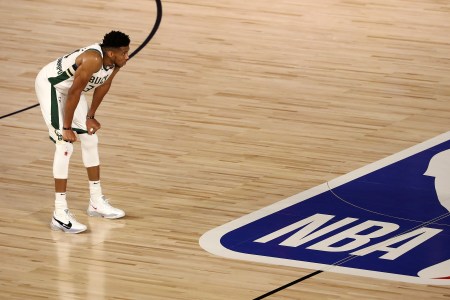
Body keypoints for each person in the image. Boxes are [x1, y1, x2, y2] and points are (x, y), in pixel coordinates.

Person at [35, 31, 130, 233]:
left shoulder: (115, 63)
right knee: (64, 145)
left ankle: (96, 202)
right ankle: (59, 214)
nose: (127, 56)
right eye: (124, 52)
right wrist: (67, 128)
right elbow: (74, 92)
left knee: (90, 139)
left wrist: (90, 116)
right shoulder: (92, 59)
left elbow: (104, 85)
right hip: (52, 87)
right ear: (112, 53)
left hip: (71, 92)